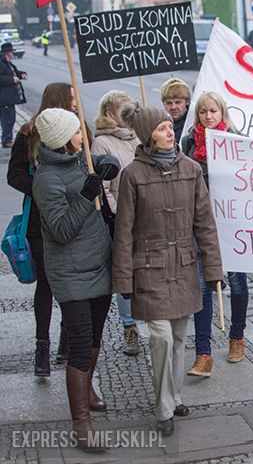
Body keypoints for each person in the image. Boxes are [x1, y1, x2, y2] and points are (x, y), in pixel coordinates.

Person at [113, 103, 222, 435]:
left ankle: (174, 397)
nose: (169, 131)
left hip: (185, 267)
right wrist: (123, 277)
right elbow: (124, 230)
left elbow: (205, 223)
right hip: (150, 268)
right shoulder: (133, 174)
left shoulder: (191, 169)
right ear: (148, 136)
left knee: (177, 338)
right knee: (159, 337)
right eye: (160, 128)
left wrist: (214, 269)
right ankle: (163, 409)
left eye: (169, 126)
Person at [33, 108, 119, 450]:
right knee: (80, 343)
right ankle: (81, 424)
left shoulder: (80, 159)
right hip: (70, 273)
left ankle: (87, 388)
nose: (83, 134)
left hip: (99, 263)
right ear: (61, 139)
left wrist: (104, 165)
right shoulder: (46, 179)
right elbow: (63, 230)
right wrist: (86, 196)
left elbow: (107, 159)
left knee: (96, 336)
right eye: (77, 131)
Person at [7, 82, 77, 376]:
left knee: (70, 282)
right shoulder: (29, 133)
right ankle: (42, 347)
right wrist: (43, 190)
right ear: (60, 100)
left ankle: (65, 338)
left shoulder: (78, 128)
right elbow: (14, 175)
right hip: (39, 220)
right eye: (72, 98)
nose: (76, 103)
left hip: (72, 218)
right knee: (46, 284)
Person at [183, 92, 250, 375]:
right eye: (202, 112)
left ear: (222, 112)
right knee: (202, 287)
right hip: (201, 225)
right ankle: (203, 353)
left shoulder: (237, 140)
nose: (208, 116)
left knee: (236, 285)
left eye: (212, 111)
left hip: (231, 224)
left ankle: (237, 336)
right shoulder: (188, 143)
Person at [90, 90, 141, 356]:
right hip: (121, 221)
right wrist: (119, 217)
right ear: (110, 115)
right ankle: (130, 327)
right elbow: (104, 188)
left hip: (146, 217)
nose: (130, 114)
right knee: (124, 275)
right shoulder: (102, 144)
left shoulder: (138, 137)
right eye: (124, 110)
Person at [0, 41, 27, 147]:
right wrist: (12, 79)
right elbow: (2, 78)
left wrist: (22, 74)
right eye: (12, 52)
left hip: (9, 97)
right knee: (7, 119)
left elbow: (15, 73)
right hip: (4, 97)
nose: (13, 54)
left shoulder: (8, 64)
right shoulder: (1, 64)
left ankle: (8, 139)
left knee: (11, 118)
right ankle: (7, 140)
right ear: (7, 53)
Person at [160, 77, 191, 143]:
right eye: (169, 103)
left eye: (178, 102)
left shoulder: (193, 124)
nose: (173, 107)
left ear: (188, 101)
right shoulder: (157, 126)